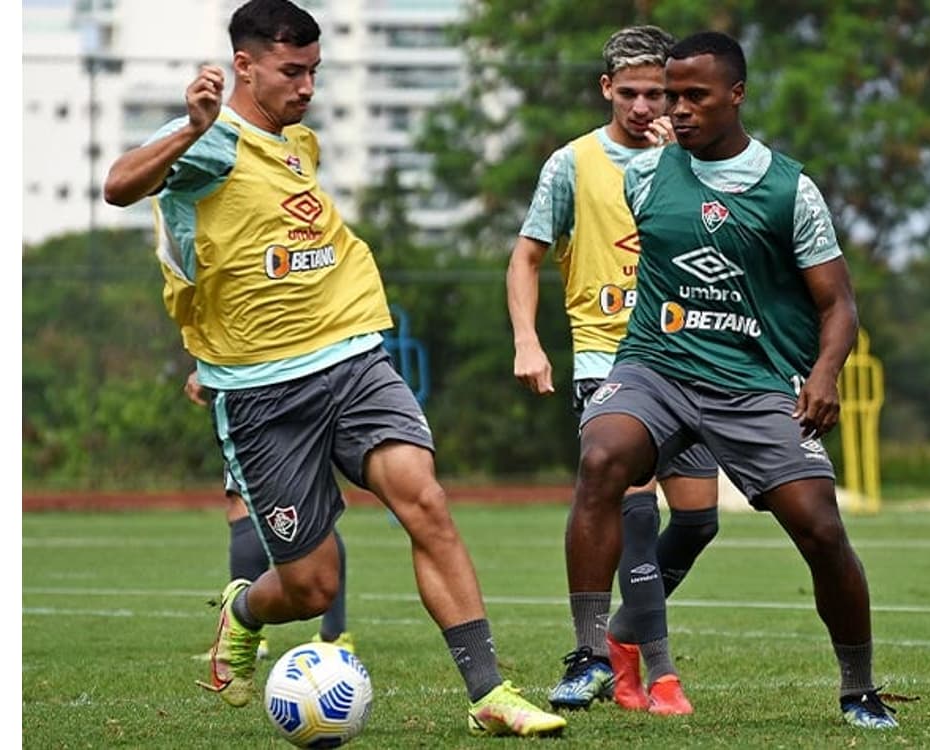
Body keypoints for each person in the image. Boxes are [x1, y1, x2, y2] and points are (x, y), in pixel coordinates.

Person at [102, 0, 566, 737]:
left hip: (351, 353)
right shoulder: (208, 139)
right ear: (244, 65)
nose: (307, 86)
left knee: (424, 500)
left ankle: (489, 693)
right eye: (293, 71)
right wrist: (190, 128)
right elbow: (119, 185)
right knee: (314, 587)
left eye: (315, 71)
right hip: (262, 392)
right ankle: (245, 608)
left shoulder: (298, 145)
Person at [568, 30, 899, 729]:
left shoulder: (789, 189)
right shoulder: (649, 174)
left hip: (756, 383)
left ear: (737, 95)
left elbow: (837, 303)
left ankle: (859, 687)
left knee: (820, 530)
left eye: (695, 96)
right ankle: (590, 654)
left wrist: (824, 374)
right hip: (657, 367)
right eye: (670, 96)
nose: (678, 109)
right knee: (602, 455)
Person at [506, 25, 717, 715]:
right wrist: (527, 341)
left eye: (657, 93)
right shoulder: (571, 164)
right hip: (609, 360)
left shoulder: (696, 160)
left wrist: (677, 171)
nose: (645, 106)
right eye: (629, 92)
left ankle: (618, 639)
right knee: (633, 507)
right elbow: (527, 257)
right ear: (606, 89)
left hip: (688, 359)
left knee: (698, 522)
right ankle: (645, 671)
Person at [183, 370, 353, 659]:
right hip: (318, 380)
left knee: (242, 501)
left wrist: (209, 369)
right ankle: (336, 635)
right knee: (313, 506)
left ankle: (248, 639)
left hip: (259, 386)